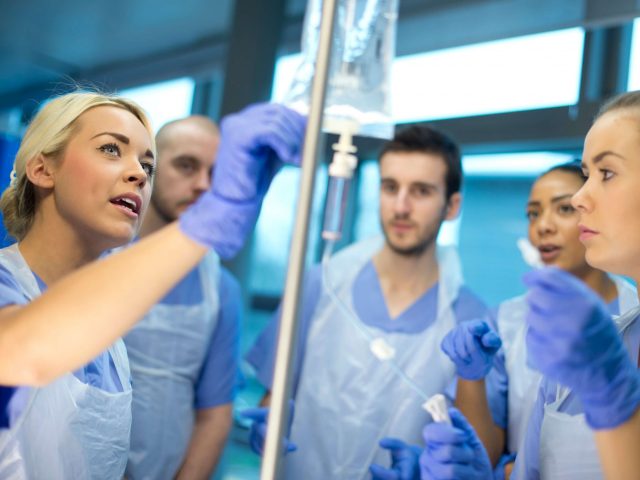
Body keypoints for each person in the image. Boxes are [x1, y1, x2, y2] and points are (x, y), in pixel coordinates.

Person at [0, 91, 305, 478]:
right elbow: (18, 350)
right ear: (43, 169)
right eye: (111, 149)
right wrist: (206, 223)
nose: (139, 174)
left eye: (148, 165)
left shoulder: (112, 346)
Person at [244, 125, 490, 479]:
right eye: (390, 187)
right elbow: (274, 399)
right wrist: (268, 431)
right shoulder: (322, 283)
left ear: (451, 206)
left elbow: (475, 449)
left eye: (420, 191)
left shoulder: (467, 317)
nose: (401, 207)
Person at [419, 91, 640, 480]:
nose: (581, 197)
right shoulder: (582, 359)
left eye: (606, 173)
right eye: (587, 176)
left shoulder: (601, 355)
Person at [123, 116, 242, 480]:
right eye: (186, 166)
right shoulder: (96, 259)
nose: (203, 184)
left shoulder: (219, 287)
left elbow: (214, 415)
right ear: (150, 168)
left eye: (215, 174)